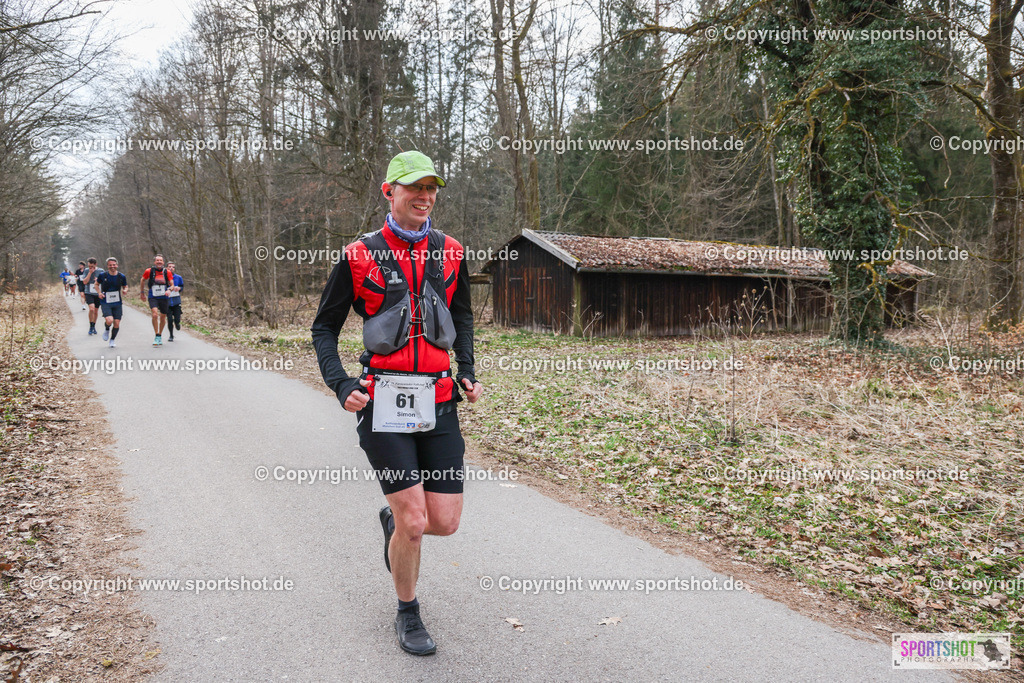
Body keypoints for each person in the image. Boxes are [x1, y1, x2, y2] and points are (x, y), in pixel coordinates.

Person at [312, 151, 483, 657]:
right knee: (414, 523)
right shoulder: (358, 255)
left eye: (431, 188)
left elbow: (462, 316)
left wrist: (467, 369)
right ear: (390, 191)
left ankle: (394, 524)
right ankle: (408, 611)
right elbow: (324, 327)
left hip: (439, 400)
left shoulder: (451, 252)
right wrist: (340, 383)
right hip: (382, 402)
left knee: (443, 522)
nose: (425, 197)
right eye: (414, 188)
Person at [140, 254, 172, 346]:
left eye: (160, 260)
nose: (159, 262)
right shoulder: (149, 271)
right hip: (153, 296)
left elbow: (172, 284)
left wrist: (169, 290)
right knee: (154, 314)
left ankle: (160, 335)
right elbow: (142, 280)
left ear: (163, 262)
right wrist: (142, 292)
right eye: (157, 260)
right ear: (154, 262)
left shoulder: (167, 272)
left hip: (164, 296)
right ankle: (157, 335)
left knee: (163, 317)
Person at [96, 257, 128, 348]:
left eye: (114, 265)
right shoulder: (103, 275)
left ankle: (112, 339)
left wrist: (125, 290)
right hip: (105, 301)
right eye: (110, 265)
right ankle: (107, 329)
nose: (112, 266)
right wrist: (99, 293)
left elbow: (125, 286)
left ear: (117, 265)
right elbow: (96, 284)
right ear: (107, 266)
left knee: (117, 323)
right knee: (109, 320)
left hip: (117, 302)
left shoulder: (121, 276)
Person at [80, 258, 104, 335]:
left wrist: (99, 280)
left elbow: (105, 282)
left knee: (96, 311)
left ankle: (93, 326)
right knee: (91, 308)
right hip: (89, 292)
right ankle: (91, 326)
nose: (90, 268)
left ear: (95, 264)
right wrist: (90, 273)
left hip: (97, 293)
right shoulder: (86, 270)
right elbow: (84, 282)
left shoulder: (101, 271)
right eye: (89, 266)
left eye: (92, 266)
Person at [166, 262, 183, 342]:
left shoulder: (178, 277)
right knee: (169, 320)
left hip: (176, 301)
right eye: (169, 267)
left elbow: (182, 286)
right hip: (167, 302)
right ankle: (171, 335)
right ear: (166, 268)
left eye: (173, 267)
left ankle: (177, 323)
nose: (171, 268)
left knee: (177, 318)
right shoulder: (163, 278)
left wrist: (179, 288)